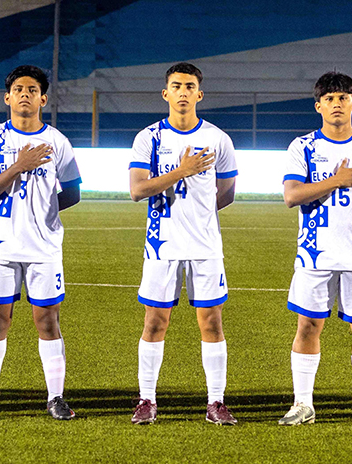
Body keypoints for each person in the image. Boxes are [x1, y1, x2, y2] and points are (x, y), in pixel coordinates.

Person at [126, 62, 239, 425]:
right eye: (177, 86)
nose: (184, 92)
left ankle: (216, 402)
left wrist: (199, 213)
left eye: (190, 86)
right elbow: (137, 190)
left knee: (212, 323)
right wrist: (181, 172)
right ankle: (147, 399)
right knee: (155, 322)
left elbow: (227, 193)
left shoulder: (218, 138)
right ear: (166, 93)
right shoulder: (148, 138)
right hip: (163, 245)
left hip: (206, 247)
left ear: (199, 94)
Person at [0, 65, 83, 421]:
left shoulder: (58, 142)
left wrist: (44, 214)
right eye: (18, 89)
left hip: (45, 248)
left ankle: (56, 398)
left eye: (32, 90)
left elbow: (74, 192)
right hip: (2, 246)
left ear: (43, 99)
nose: (24, 94)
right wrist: (18, 166)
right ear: (7, 97)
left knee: (48, 320)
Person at [276, 72, 352, 427]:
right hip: (315, 254)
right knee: (308, 325)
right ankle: (303, 404)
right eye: (329, 98)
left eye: (343, 98)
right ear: (318, 106)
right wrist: (336, 181)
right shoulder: (303, 147)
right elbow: (292, 196)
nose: (336, 103)